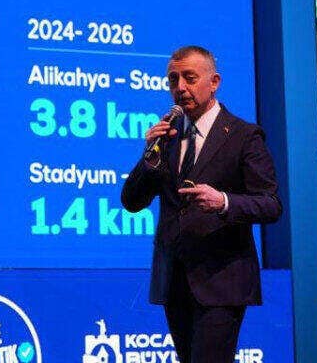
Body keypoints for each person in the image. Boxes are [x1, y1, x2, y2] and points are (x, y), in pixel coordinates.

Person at [121, 45, 282, 363]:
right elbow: (131, 201)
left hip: (221, 279)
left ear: (214, 82)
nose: (180, 87)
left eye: (190, 78)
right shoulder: (166, 137)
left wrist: (223, 202)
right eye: (173, 79)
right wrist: (149, 157)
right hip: (174, 279)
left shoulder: (243, 136)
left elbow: (270, 204)